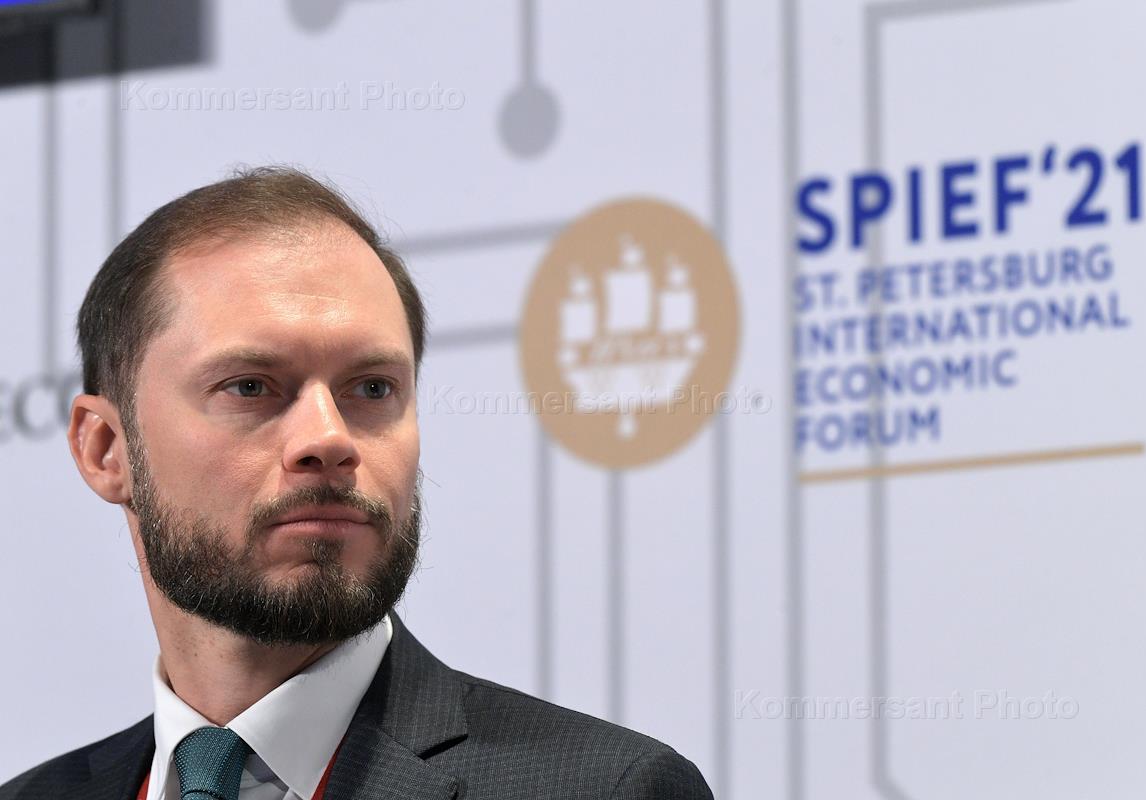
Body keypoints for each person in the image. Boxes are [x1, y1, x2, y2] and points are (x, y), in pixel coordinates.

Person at [0, 168, 713, 800]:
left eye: (372, 387)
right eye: (250, 386)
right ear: (106, 449)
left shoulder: (610, 790)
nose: (330, 438)